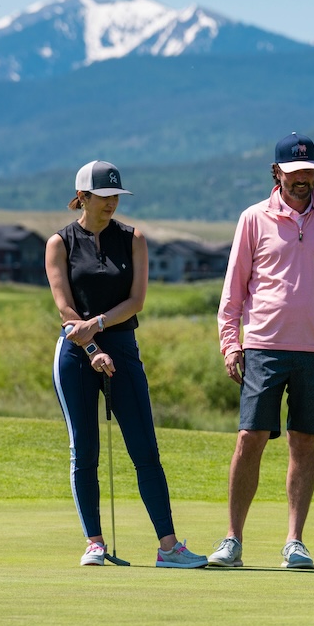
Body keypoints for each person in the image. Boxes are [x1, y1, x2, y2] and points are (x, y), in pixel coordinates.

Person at [46, 159, 208, 569]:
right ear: (82, 197)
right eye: (103, 197)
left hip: (122, 349)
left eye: (116, 196)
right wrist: (90, 347)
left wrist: (99, 326)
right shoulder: (59, 243)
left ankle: (168, 547)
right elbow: (65, 308)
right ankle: (94, 543)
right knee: (85, 451)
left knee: (145, 450)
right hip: (75, 354)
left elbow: (136, 301)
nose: (111, 203)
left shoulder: (133, 238)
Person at [211, 132, 314, 569]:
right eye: (294, 172)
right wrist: (229, 343)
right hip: (262, 345)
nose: (303, 179)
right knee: (249, 438)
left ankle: (294, 541)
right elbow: (233, 290)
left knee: (304, 442)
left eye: (309, 171)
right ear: (276, 173)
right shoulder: (253, 218)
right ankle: (233, 539)